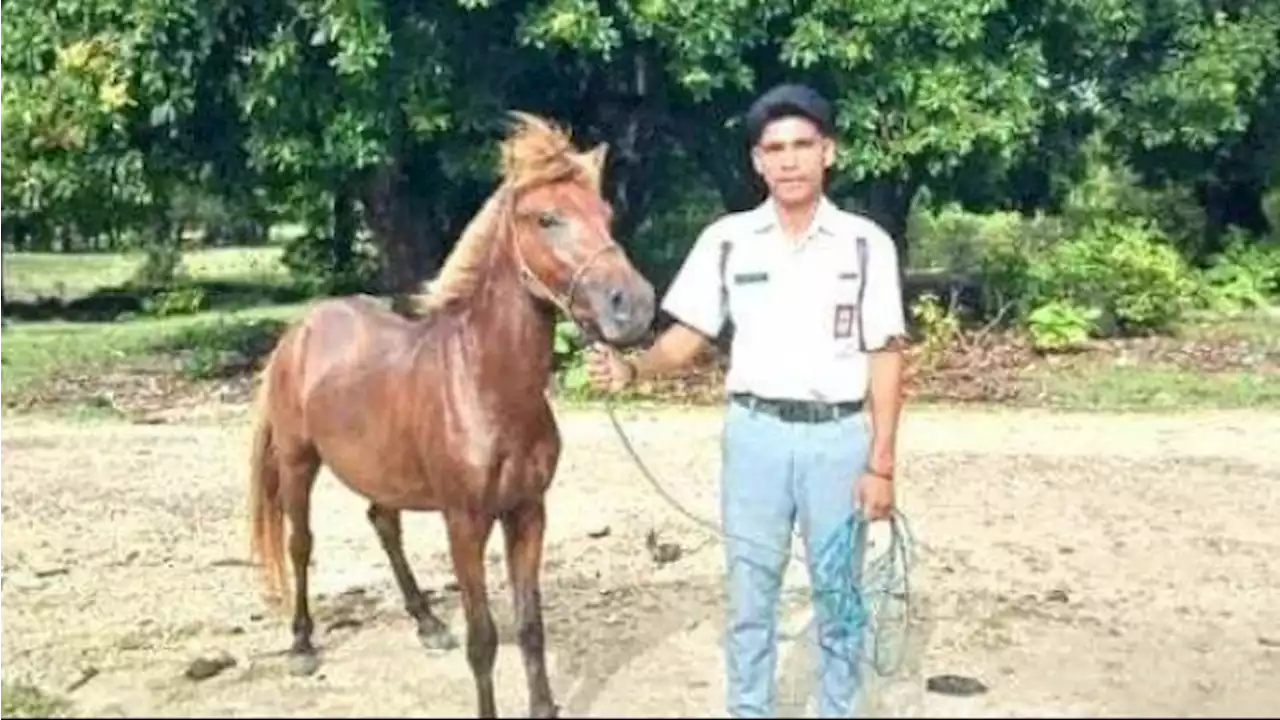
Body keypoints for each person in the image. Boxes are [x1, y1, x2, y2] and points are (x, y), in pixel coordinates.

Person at [585, 82, 908, 718]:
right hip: (754, 437)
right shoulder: (729, 240)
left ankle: (839, 710)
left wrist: (881, 464)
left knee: (839, 601)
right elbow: (687, 338)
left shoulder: (866, 244)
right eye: (774, 149)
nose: (788, 160)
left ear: (828, 153)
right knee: (750, 601)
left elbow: (887, 354)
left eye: (802, 146)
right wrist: (634, 370)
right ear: (757, 161)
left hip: (838, 441)